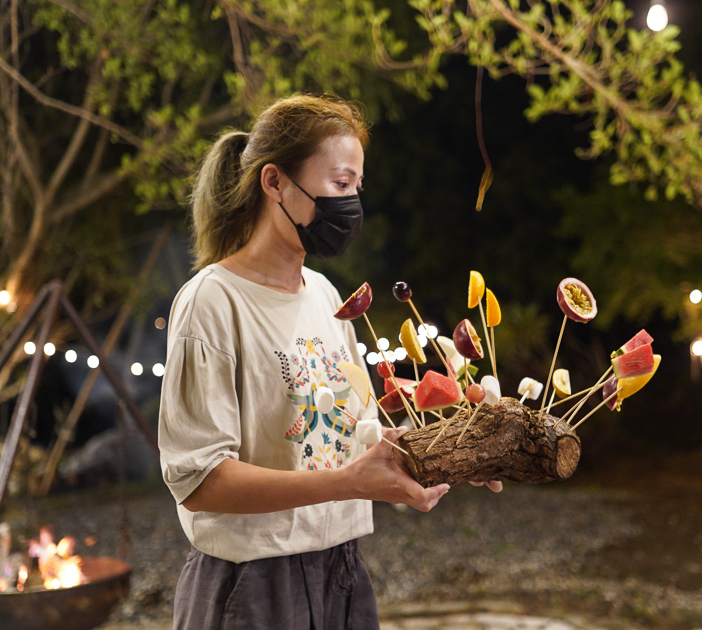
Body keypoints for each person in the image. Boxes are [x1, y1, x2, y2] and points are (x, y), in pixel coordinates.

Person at [158, 94, 497, 630]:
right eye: (340, 184)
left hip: (342, 572)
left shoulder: (325, 295)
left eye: (357, 187)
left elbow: (355, 435)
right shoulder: (212, 301)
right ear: (274, 183)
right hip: (252, 587)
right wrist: (350, 483)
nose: (353, 203)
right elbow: (200, 482)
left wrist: (460, 449)